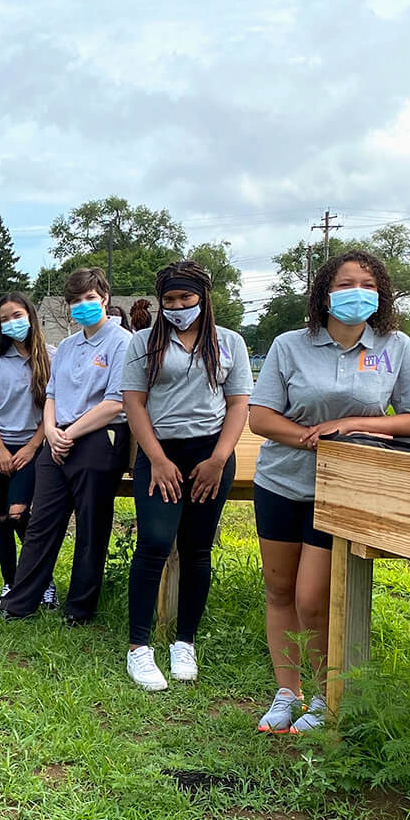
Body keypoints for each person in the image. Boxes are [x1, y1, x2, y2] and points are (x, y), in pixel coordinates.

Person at [248, 249, 410, 734]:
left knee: (313, 599)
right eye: (346, 283)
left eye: (368, 285)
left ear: (382, 295)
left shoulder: (395, 346)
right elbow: (261, 416)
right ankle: (285, 692)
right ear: (325, 294)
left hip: (345, 494)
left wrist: (351, 425)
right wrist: (314, 437)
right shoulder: (290, 345)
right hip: (281, 481)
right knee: (280, 591)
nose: (358, 293)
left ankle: (321, 694)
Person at [120, 260, 252, 691]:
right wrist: (156, 459)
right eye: (170, 299)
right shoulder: (144, 342)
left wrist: (218, 459)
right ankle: (139, 647)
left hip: (210, 455)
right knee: (155, 543)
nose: (177, 306)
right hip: (162, 454)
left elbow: (237, 405)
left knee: (197, 549)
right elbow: (134, 403)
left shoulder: (228, 342)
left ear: (203, 298)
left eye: (185, 298)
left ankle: (184, 642)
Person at [0, 267, 133, 625]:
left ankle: (80, 608)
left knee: (91, 525)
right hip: (57, 435)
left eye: (89, 298)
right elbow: (52, 394)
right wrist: (51, 431)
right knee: (41, 522)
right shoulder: (69, 346)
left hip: (99, 436)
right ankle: (20, 603)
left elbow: (116, 401)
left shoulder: (123, 342)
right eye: (75, 300)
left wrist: (70, 433)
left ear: (105, 298)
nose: (83, 305)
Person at [0, 294, 48, 601]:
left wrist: (31, 447)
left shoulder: (50, 357)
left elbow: (54, 408)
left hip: (34, 447)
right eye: (5, 318)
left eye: (17, 315)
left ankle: (41, 580)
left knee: (20, 513)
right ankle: (11, 583)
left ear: (30, 315)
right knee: (2, 516)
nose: (12, 322)